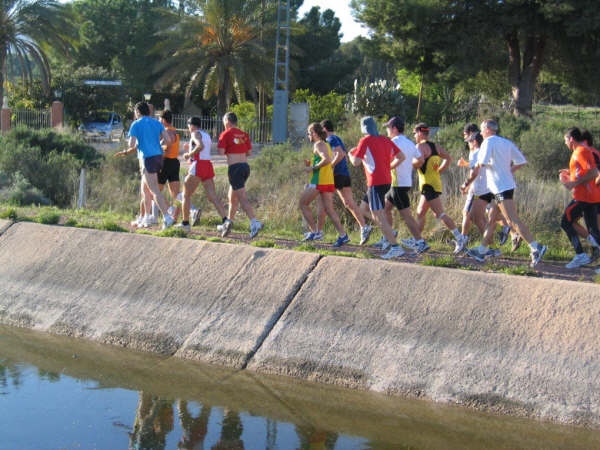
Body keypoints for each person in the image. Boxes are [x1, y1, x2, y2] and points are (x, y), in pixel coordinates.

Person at [466, 118, 547, 266]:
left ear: (488, 130)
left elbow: (481, 164)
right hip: (504, 185)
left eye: (482, 129)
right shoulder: (506, 142)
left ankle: (536, 247)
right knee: (491, 219)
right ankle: (482, 250)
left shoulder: (488, 142)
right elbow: (521, 161)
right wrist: (508, 171)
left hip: (500, 187)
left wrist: (468, 181)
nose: (481, 132)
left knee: (512, 220)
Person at [348, 116, 405, 259]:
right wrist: (388, 166)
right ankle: (389, 232)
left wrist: (350, 154)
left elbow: (355, 162)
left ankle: (395, 246)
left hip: (375, 181)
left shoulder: (365, 141)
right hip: (386, 180)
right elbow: (401, 156)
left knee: (378, 215)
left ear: (363, 128)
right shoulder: (386, 140)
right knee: (363, 208)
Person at [373, 116, 429, 254]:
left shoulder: (393, 142)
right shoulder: (410, 142)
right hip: (403, 183)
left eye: (388, 127)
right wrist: (408, 166)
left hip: (398, 184)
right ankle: (387, 237)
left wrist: (388, 167)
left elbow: (392, 159)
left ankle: (420, 242)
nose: (386, 130)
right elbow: (421, 160)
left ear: (394, 128)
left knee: (406, 216)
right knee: (385, 209)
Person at [116, 101, 174, 230]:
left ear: (137, 112)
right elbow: (168, 141)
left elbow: (132, 145)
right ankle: (146, 217)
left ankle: (167, 217)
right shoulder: (157, 122)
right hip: (158, 157)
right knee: (144, 190)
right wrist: (156, 145)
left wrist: (137, 144)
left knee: (153, 189)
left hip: (147, 158)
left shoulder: (136, 124)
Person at [315, 119, 372, 245]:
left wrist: (330, 166)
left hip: (337, 174)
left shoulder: (330, 140)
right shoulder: (336, 138)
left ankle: (318, 233)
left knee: (326, 203)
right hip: (342, 173)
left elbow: (340, 154)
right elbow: (344, 155)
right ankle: (363, 227)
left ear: (324, 130)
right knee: (347, 203)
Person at [413, 123, 464, 251]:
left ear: (419, 133)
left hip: (428, 184)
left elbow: (419, 162)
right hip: (434, 183)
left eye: (414, 133)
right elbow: (448, 158)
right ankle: (418, 242)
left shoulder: (419, 146)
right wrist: (439, 171)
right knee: (420, 213)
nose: (414, 136)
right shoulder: (435, 146)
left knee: (440, 214)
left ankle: (460, 238)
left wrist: (410, 162)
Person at [175, 117, 229, 233]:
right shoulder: (206, 135)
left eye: (188, 126)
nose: (188, 128)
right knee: (212, 196)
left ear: (192, 125)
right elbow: (203, 148)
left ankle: (185, 224)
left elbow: (200, 147)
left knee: (185, 195)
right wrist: (190, 148)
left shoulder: (195, 134)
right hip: (207, 166)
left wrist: (188, 154)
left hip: (198, 165)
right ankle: (226, 220)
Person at [299, 122, 349, 247]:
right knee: (329, 209)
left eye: (309, 133)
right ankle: (343, 235)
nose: (308, 135)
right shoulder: (325, 144)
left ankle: (314, 232)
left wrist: (313, 168)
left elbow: (326, 159)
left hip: (318, 181)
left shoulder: (318, 144)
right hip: (327, 180)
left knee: (303, 203)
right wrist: (311, 163)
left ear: (315, 133)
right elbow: (325, 159)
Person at [217, 111, 263, 238]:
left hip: (235, 168)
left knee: (242, 197)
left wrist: (228, 149)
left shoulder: (225, 134)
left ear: (227, 121)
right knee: (232, 197)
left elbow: (221, 152)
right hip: (245, 167)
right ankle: (228, 223)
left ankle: (254, 222)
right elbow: (248, 152)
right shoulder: (244, 134)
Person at [559, 127, 600, 268]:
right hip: (591, 197)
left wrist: (574, 183)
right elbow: (585, 172)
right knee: (594, 231)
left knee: (565, 222)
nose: (565, 143)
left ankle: (580, 255)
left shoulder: (580, 151)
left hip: (583, 197)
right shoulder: (583, 151)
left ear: (571, 139)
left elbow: (594, 172)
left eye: (565, 140)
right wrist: (569, 174)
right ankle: (583, 254)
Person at [157, 110, 182, 219]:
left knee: (154, 192)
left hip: (165, 162)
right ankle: (175, 217)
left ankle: (169, 209)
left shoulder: (166, 132)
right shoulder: (175, 131)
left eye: (159, 119)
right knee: (176, 194)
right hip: (175, 162)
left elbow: (165, 147)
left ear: (163, 120)